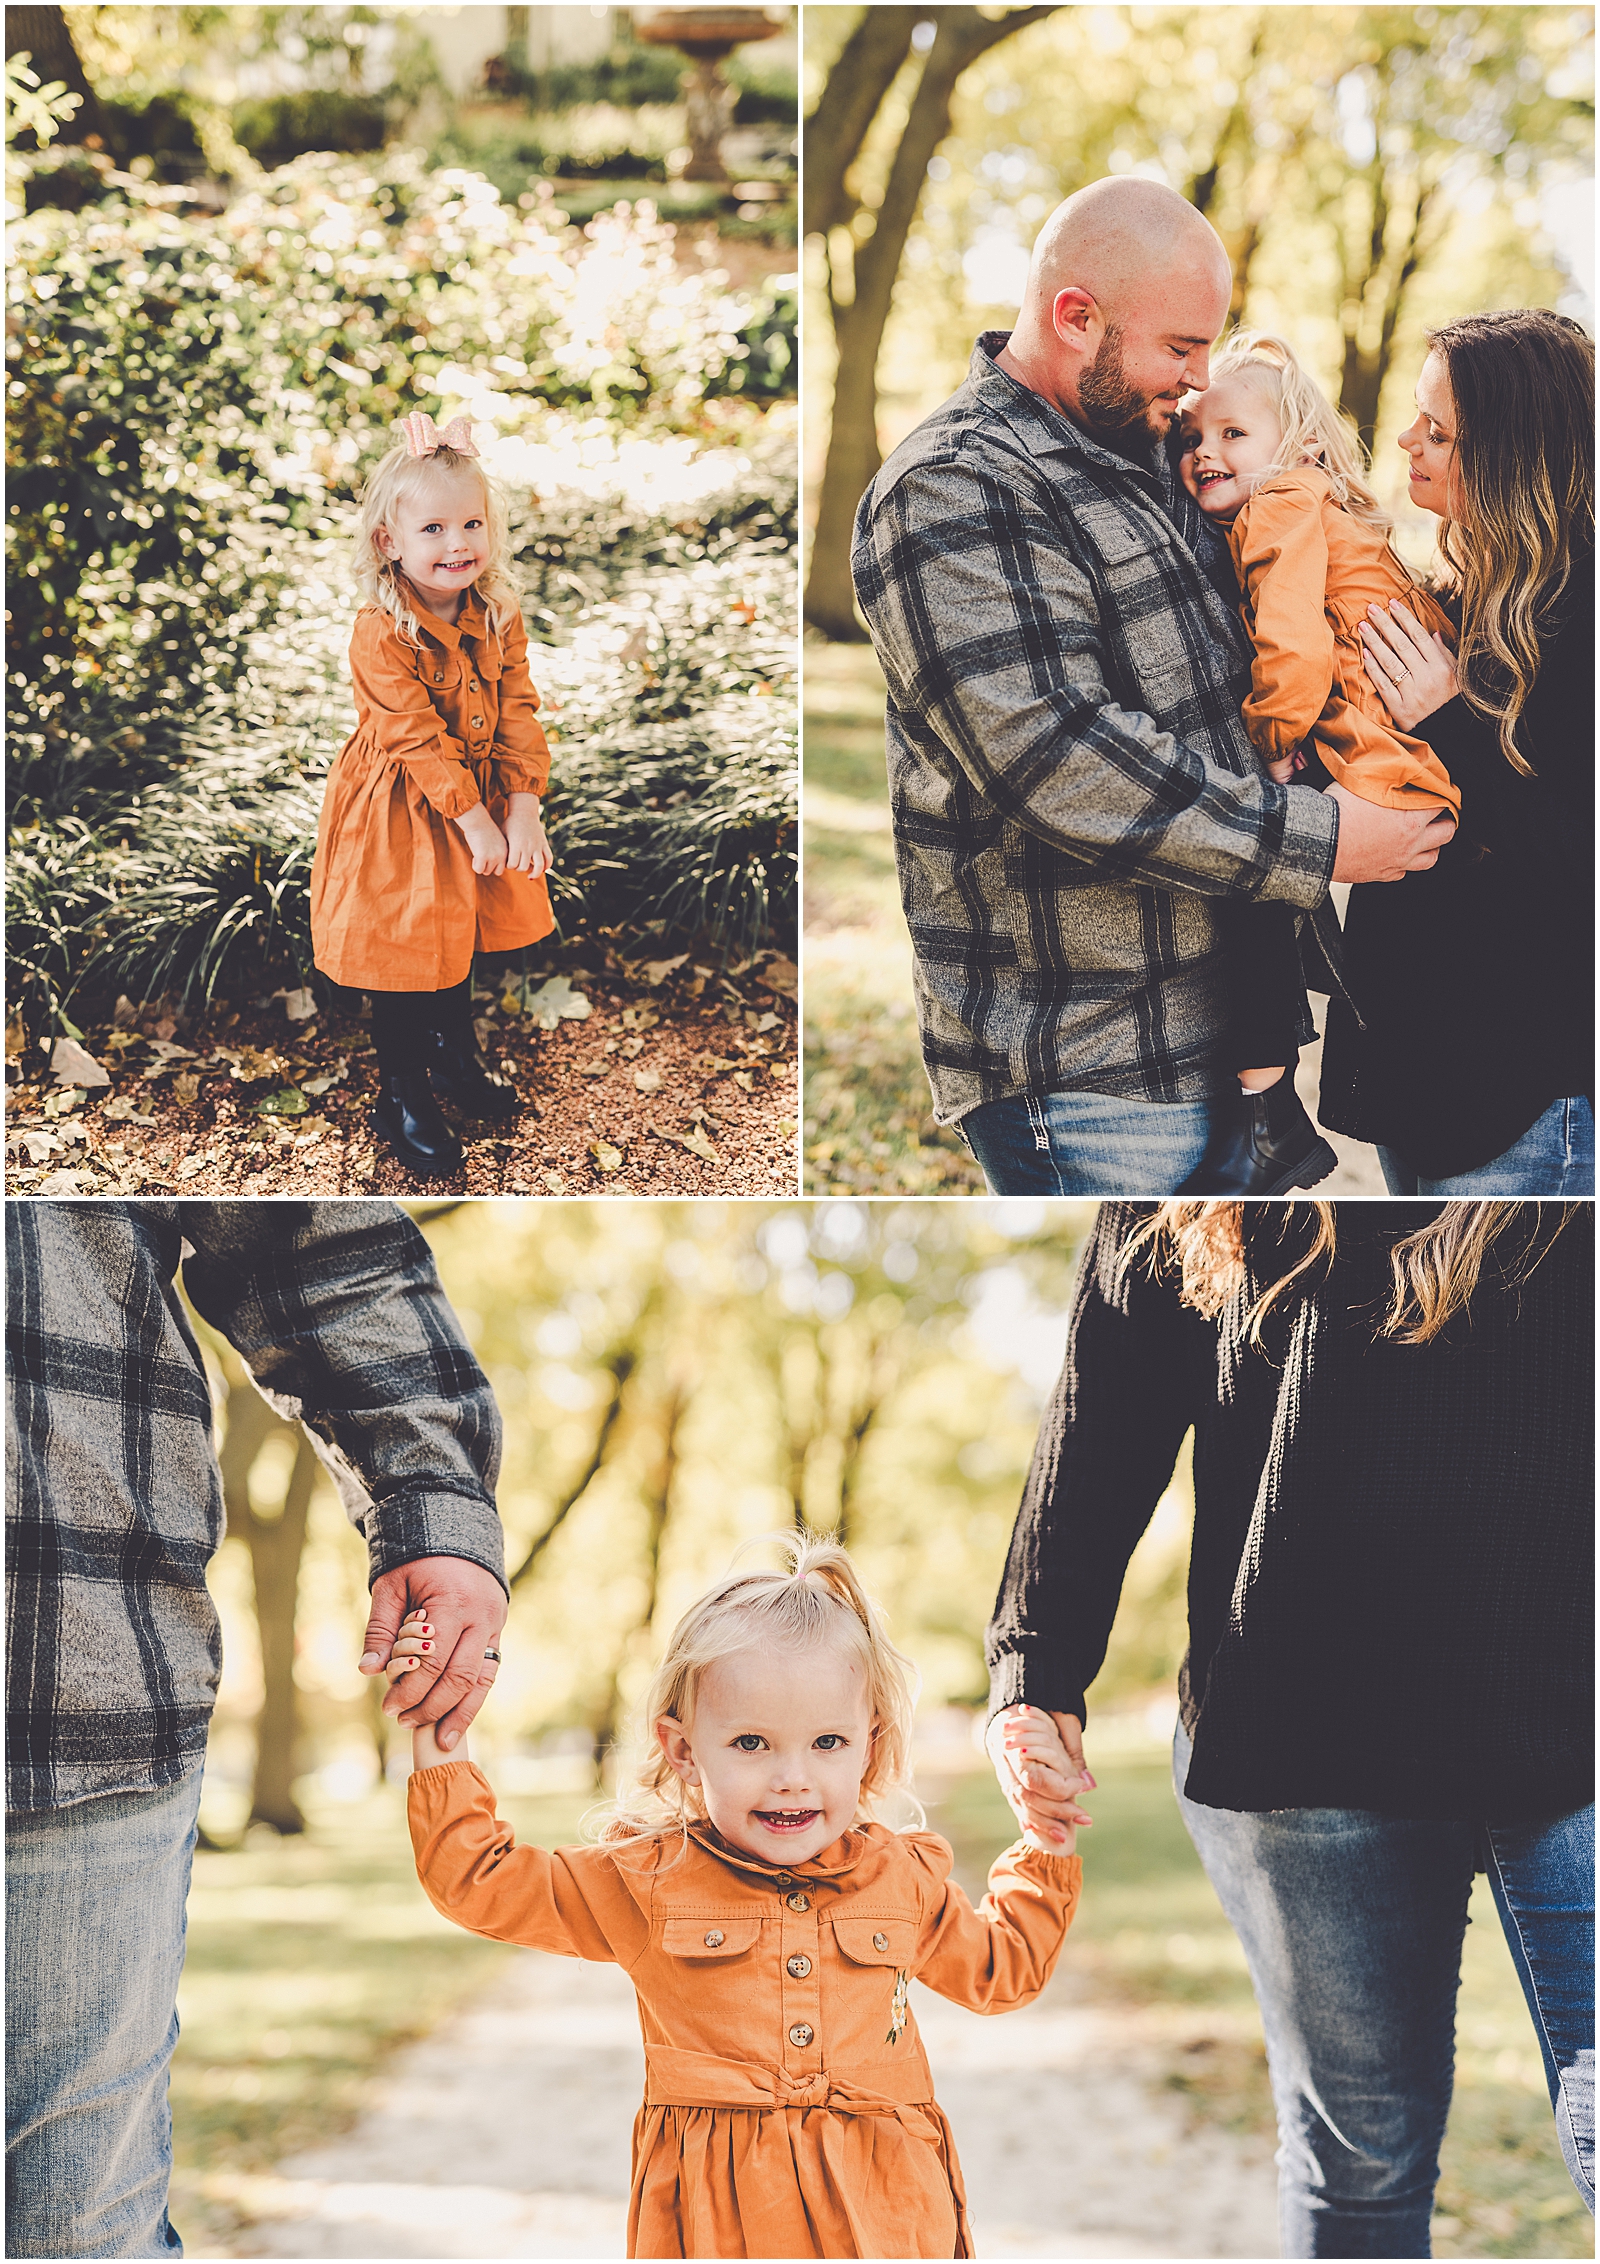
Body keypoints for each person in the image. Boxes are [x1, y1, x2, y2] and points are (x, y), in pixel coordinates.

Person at [985, 1199, 1594, 2260]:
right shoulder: (1207, 1173)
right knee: (1357, 2160)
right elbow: (1106, 1405)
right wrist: (1034, 1668)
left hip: (1574, 1707)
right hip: (1302, 1720)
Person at [850, 176, 1453, 1198]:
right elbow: (1059, 758)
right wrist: (1324, 838)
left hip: (1223, 1037)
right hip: (1091, 1070)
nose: (1198, 378)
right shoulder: (956, 485)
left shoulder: (1157, 455)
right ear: (1076, 318)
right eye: (1179, 348)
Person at [5, 1200, 510, 2260]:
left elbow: (316, 1241)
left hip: (72, 1687)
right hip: (86, 1680)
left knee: (73, 2232)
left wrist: (429, 1496)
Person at [401, 1533, 1083, 2260]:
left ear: (870, 1747)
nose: (792, 1777)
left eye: (827, 1743)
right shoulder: (646, 1879)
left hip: (886, 2215)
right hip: (718, 2221)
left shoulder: (900, 1877)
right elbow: (481, 1882)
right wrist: (442, 1744)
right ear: (685, 1749)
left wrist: (1046, 1844)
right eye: (752, 1744)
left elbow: (1002, 1969)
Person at [1170, 333, 1460, 1194]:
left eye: (1232, 435)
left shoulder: (1282, 507)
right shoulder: (1312, 501)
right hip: (1398, 744)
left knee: (1255, 861)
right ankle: (1277, 1107)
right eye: (1194, 438)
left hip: (1384, 751)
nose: (1205, 453)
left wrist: (1270, 740)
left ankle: (1269, 1107)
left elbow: (1294, 648)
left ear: (1294, 447)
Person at [1319, 309, 1594, 1194]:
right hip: (1423, 1092)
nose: (1406, 440)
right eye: (1415, 415)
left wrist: (1449, 721)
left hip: (1525, 1109)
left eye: (1438, 431)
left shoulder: (1581, 618)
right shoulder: (1456, 599)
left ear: (1512, 457)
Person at [309, 410, 556, 1180]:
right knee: (407, 951)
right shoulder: (379, 632)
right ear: (390, 542)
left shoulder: (498, 613)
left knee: (462, 934)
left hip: (480, 796)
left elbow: (518, 705)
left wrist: (521, 805)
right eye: (434, 529)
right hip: (403, 809)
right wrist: (474, 820)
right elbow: (413, 736)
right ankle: (403, 1090)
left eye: (472, 524)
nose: (458, 545)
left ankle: (455, 1060)